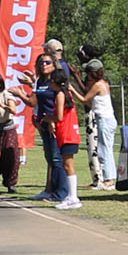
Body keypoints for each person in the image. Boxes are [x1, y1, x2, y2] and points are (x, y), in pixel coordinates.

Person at [20, 53, 67, 202]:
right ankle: (50, 190)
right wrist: (38, 121)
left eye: (47, 62)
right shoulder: (40, 81)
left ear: (54, 64)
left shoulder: (55, 82)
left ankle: (61, 192)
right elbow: (35, 102)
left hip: (54, 123)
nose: (43, 65)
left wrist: (52, 120)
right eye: (41, 62)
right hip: (44, 123)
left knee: (57, 158)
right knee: (50, 158)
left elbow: (61, 103)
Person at [73, 59, 116, 191]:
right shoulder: (103, 83)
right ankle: (109, 178)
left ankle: (109, 180)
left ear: (92, 73)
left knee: (104, 150)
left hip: (104, 120)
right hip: (107, 119)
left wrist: (72, 89)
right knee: (105, 149)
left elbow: (85, 100)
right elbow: (92, 103)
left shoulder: (98, 85)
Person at [51, 68, 82, 209]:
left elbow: (59, 117)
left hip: (67, 132)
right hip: (69, 132)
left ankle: (74, 197)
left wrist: (47, 118)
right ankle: (71, 196)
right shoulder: (67, 93)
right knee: (67, 164)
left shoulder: (60, 95)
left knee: (68, 165)